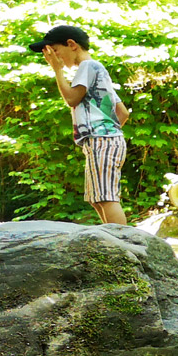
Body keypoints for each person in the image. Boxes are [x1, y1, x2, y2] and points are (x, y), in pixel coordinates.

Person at [30, 25, 132, 225]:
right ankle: (114, 242)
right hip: (104, 140)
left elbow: (71, 98)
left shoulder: (87, 67)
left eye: (55, 51)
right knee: (97, 199)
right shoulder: (97, 71)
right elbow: (123, 112)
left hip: (102, 140)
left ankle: (125, 246)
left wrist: (57, 70)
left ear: (71, 44)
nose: (54, 57)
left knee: (105, 197)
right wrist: (108, 134)